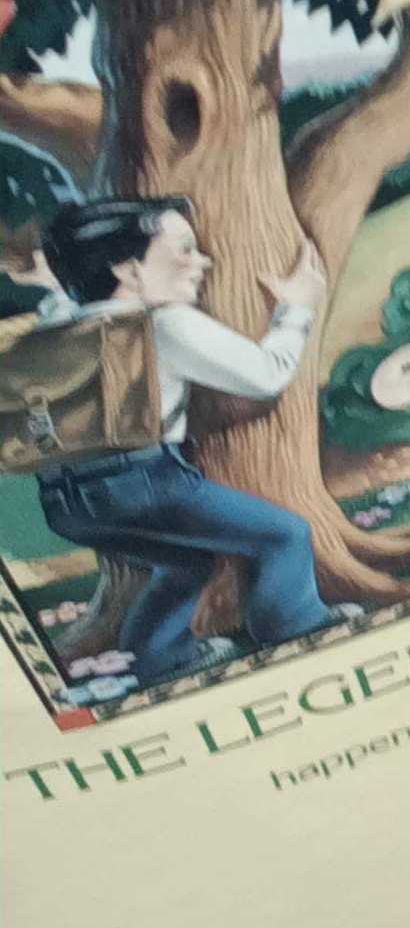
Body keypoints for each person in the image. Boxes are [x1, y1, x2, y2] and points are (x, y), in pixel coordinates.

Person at [33, 196, 345, 687]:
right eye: (183, 250)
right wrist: (296, 307)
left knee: (187, 563)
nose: (203, 262)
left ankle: (159, 660)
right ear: (129, 271)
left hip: (65, 503)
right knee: (283, 535)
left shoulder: (58, 324)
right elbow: (266, 375)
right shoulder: (165, 324)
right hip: (147, 484)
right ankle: (297, 631)